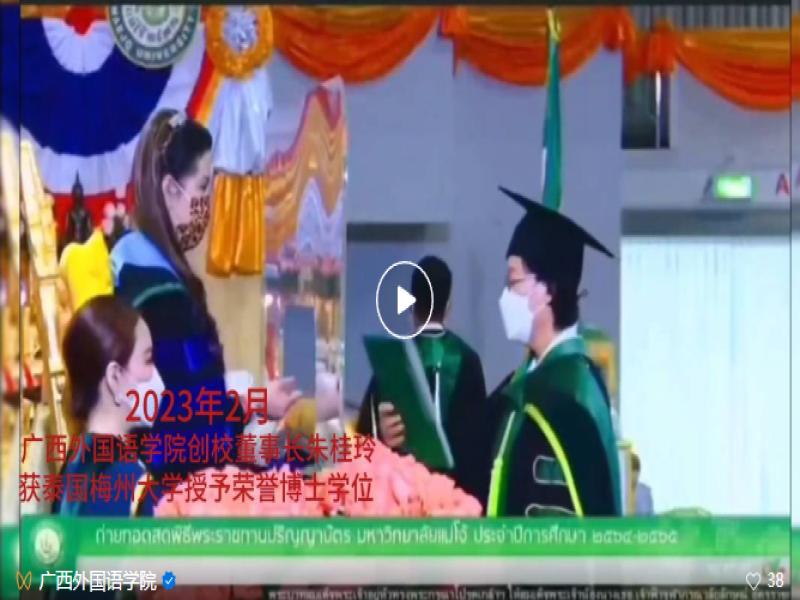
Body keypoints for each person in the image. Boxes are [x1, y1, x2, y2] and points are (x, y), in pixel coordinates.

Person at [110, 109, 300, 479]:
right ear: (170, 189)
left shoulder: (132, 259)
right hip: (181, 483)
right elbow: (188, 418)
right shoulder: (160, 296)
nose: (208, 201)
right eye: (203, 186)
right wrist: (257, 404)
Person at [486, 187, 621, 517]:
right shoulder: (531, 380)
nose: (505, 297)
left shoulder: (571, 392)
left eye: (513, 282)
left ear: (546, 291)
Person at [356, 255, 490, 501]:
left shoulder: (393, 359)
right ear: (448, 307)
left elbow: (366, 436)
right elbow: (478, 446)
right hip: (451, 502)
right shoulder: (468, 361)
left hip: (401, 500)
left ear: (411, 305)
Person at [55, 295, 163, 517]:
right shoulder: (136, 490)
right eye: (148, 359)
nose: (157, 374)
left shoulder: (75, 463)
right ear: (115, 376)